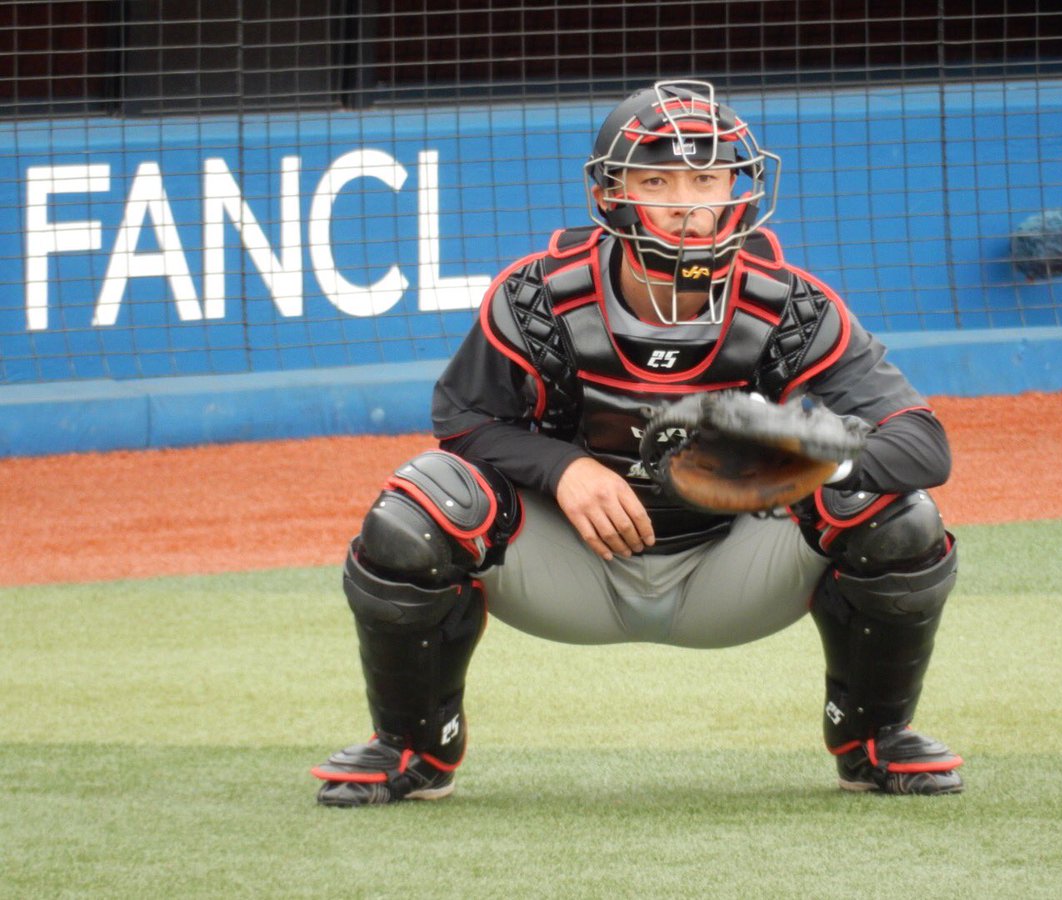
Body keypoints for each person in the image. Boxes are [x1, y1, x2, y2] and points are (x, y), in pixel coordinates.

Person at [312, 80, 963, 804]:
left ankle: (874, 741)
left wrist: (801, 458)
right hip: (570, 569)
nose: (688, 204)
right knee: (418, 506)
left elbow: (924, 446)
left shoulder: (791, 307)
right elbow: (460, 418)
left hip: (733, 570)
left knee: (895, 512)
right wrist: (562, 468)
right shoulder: (538, 297)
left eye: (707, 179)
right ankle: (412, 748)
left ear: (739, 188)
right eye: (658, 180)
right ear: (610, 194)